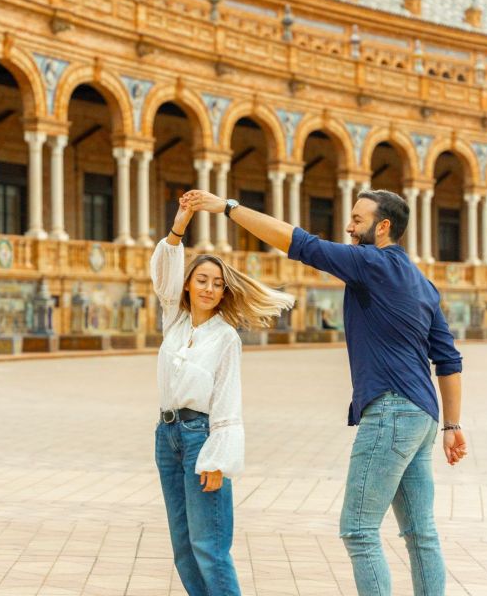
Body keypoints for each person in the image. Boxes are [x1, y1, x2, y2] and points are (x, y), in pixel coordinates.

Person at [183, 188, 467, 596]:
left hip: (390, 412)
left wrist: (228, 208)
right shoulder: (423, 284)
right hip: (424, 416)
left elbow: (299, 243)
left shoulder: (372, 262)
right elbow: (448, 359)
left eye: (357, 219)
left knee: (359, 530)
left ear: (383, 227)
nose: (349, 227)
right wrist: (453, 424)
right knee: (421, 533)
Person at [151, 199, 293, 596]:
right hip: (167, 437)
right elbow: (163, 274)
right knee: (183, 548)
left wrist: (217, 459)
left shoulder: (225, 337)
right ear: (187, 284)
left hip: (201, 439)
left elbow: (228, 403)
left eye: (217, 282)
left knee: (209, 547)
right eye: (202, 280)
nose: (209, 288)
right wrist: (179, 225)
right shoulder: (174, 321)